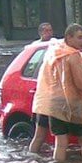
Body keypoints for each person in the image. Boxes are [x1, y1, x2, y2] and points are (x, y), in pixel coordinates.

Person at [31, 23, 82, 162]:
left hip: (48, 101)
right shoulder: (73, 55)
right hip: (70, 104)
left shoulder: (55, 49)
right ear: (69, 37)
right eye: (80, 38)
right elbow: (81, 82)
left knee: (58, 141)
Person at [28, 22, 56, 153]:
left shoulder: (56, 43)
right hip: (46, 101)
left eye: (50, 30)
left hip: (46, 101)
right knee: (42, 135)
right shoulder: (37, 48)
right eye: (46, 31)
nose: (49, 33)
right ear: (40, 33)